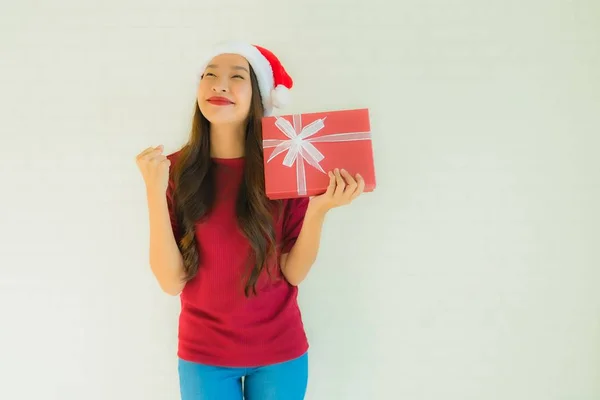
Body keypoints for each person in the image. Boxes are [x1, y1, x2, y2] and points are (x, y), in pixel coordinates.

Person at [135, 42, 365, 400]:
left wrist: (319, 210)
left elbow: (293, 272)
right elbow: (170, 281)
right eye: (209, 75)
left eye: (236, 77)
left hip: (280, 352)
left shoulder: (288, 167)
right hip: (203, 356)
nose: (219, 85)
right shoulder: (175, 171)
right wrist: (153, 189)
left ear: (258, 96)